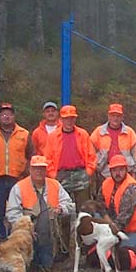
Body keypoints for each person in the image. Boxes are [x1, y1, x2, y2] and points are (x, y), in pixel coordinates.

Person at [44, 104, 96, 260]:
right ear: (61, 119)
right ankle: (64, 249)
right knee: (63, 213)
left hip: (80, 174)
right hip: (61, 176)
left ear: (75, 118)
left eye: (72, 118)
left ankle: (87, 247)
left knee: (85, 213)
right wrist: (54, 175)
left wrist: (88, 172)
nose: (69, 121)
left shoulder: (83, 134)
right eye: (66, 118)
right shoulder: (53, 136)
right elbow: (47, 158)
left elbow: (91, 156)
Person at [6, 155, 75, 269]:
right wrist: (25, 227)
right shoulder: (18, 187)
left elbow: (70, 205)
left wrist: (61, 209)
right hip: (27, 240)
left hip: (49, 239)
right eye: (35, 168)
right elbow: (12, 213)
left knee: (47, 266)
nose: (39, 171)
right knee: (30, 267)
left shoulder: (55, 185)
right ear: (30, 169)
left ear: (46, 170)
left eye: (42, 168)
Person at [0, 102, 33, 239]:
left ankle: (18, 240)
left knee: (17, 213)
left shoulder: (24, 134)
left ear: (14, 116)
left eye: (9, 114)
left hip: (17, 179)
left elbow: (31, 155)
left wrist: (25, 173)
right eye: (3, 113)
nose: (6, 116)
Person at [101, 155, 136, 256]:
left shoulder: (132, 189)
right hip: (119, 227)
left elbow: (123, 219)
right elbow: (99, 206)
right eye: (114, 170)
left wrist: (107, 235)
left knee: (123, 252)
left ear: (126, 170)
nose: (118, 173)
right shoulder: (106, 184)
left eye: (121, 170)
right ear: (110, 172)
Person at [90, 103, 136, 188]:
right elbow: (90, 152)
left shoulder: (130, 132)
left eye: (118, 116)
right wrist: (93, 169)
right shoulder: (98, 132)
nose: (115, 118)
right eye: (113, 115)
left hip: (125, 173)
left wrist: (134, 173)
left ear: (122, 117)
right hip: (104, 172)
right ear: (108, 116)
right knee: (104, 198)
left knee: (125, 198)